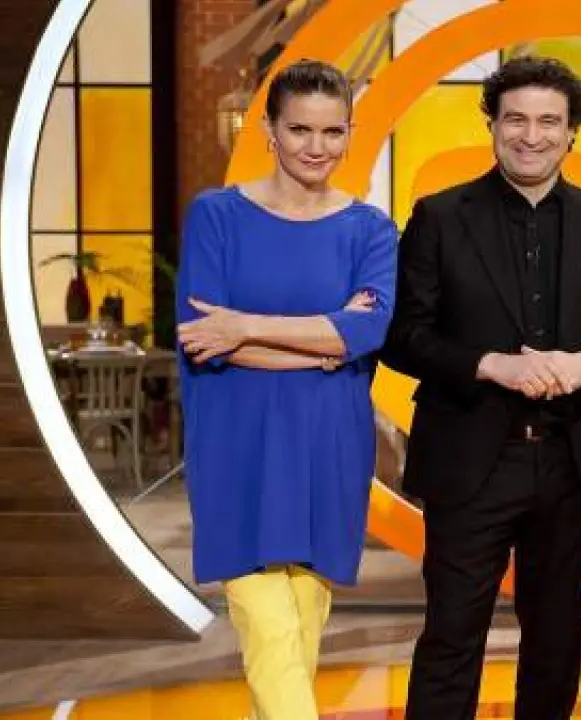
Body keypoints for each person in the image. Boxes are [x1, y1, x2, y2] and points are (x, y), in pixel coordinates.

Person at [378, 56, 581, 720]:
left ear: (572, 131)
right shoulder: (439, 217)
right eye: (516, 119)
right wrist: (488, 364)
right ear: (493, 125)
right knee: (451, 636)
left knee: (556, 642)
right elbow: (403, 336)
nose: (532, 135)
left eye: (549, 121)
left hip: (571, 460)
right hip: (471, 458)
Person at [175, 59, 397, 720]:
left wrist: (245, 327)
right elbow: (201, 337)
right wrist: (326, 341)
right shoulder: (216, 215)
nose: (316, 146)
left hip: (329, 445)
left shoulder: (370, 229)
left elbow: (370, 329)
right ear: (269, 130)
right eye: (300, 129)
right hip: (236, 444)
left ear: (350, 134)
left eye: (332, 131)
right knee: (270, 630)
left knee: (299, 628)